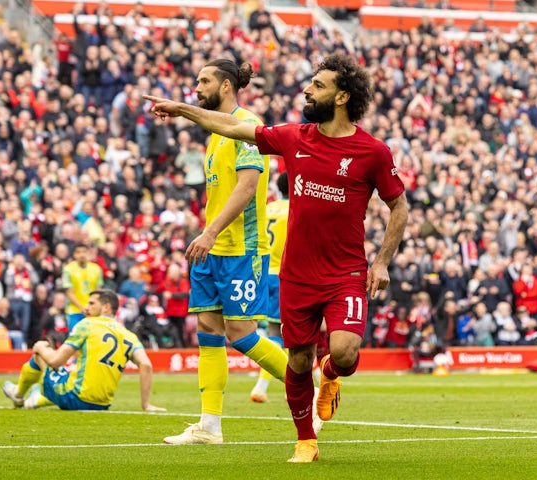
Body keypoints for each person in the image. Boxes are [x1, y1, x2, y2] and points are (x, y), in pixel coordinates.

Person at [146, 53, 408, 462]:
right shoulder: (294, 137)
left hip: (344, 272)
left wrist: (381, 261)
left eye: (318, 86)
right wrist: (182, 111)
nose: (308, 90)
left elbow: (400, 206)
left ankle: (333, 377)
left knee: (341, 352)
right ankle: (304, 440)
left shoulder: (372, 151)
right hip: (296, 275)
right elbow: (232, 125)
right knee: (298, 358)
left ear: (342, 97)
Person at [146, 59, 289, 446]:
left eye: (204, 81)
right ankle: (209, 426)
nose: (197, 86)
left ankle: (308, 383)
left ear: (226, 86)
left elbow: (246, 187)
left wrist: (209, 231)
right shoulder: (215, 132)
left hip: (240, 247)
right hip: (212, 249)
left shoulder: (247, 125)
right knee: (208, 330)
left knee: (242, 333)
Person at [2, 289, 165, 412]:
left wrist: (38, 347)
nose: (86, 308)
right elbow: (146, 366)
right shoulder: (129, 335)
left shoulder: (87, 324)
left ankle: (18, 394)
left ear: (106, 307)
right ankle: (36, 399)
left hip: (75, 398)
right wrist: (146, 404)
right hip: (102, 405)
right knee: (72, 373)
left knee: (42, 352)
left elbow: (55, 361)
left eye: (92, 304)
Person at [249, 171, 289, 403]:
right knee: (283, 333)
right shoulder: (296, 209)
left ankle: (303, 379)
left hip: (265, 273)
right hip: (286, 275)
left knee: (277, 330)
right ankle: (262, 386)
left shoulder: (268, 209)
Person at [62, 243, 104, 330]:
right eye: (78, 252)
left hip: (92, 311)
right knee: (75, 339)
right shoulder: (68, 270)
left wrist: (92, 308)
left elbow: (98, 292)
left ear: (88, 253)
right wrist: (83, 308)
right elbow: (70, 293)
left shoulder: (96, 269)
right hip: (75, 311)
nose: (81, 255)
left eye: (84, 252)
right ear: (74, 254)